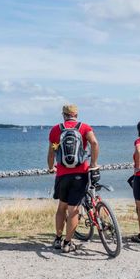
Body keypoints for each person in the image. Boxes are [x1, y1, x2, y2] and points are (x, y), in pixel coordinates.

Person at [47, 104, 100, 253]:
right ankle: (67, 243)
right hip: (80, 174)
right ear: (76, 114)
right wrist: (94, 163)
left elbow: (51, 152)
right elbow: (94, 143)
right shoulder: (84, 127)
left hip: (62, 174)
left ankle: (58, 238)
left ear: (63, 114)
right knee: (74, 210)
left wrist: (51, 167)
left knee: (61, 208)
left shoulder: (56, 129)